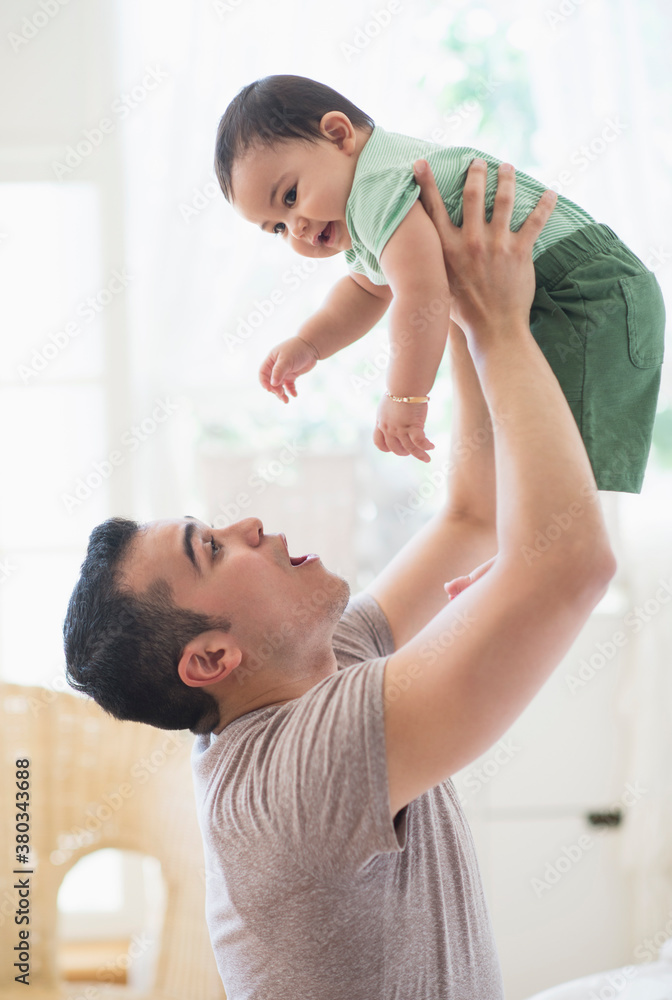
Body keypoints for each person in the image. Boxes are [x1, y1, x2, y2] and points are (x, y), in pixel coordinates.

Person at [63, 160, 616, 1000]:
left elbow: (470, 518)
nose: (246, 524)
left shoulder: (305, 669)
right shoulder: (298, 773)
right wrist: (502, 326)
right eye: (212, 548)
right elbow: (572, 566)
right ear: (211, 659)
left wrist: (463, 304)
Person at [215, 74, 665, 491]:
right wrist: (309, 343)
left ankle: (546, 549)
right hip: (580, 287)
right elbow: (365, 291)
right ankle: (533, 545)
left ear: (338, 135)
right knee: (541, 453)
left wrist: (405, 397)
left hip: (582, 290)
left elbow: (421, 295)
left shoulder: (375, 189)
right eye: (277, 227)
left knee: (555, 459)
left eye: (291, 197)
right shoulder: (366, 202)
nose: (295, 228)